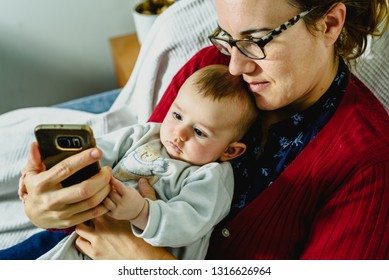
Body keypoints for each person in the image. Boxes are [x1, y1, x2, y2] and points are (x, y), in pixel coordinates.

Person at [19, 0, 389, 260]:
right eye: (226, 35)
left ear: (330, 24)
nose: (235, 65)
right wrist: (47, 205)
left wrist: (144, 262)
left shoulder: (370, 168)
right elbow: (141, 161)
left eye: (257, 40)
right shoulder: (211, 65)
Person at [0, 64, 258, 260]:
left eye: (200, 132)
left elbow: (189, 221)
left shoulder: (211, 175)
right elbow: (101, 151)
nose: (179, 133)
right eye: (177, 115)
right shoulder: (147, 133)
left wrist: (140, 212)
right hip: (80, 237)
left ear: (231, 151)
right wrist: (63, 164)